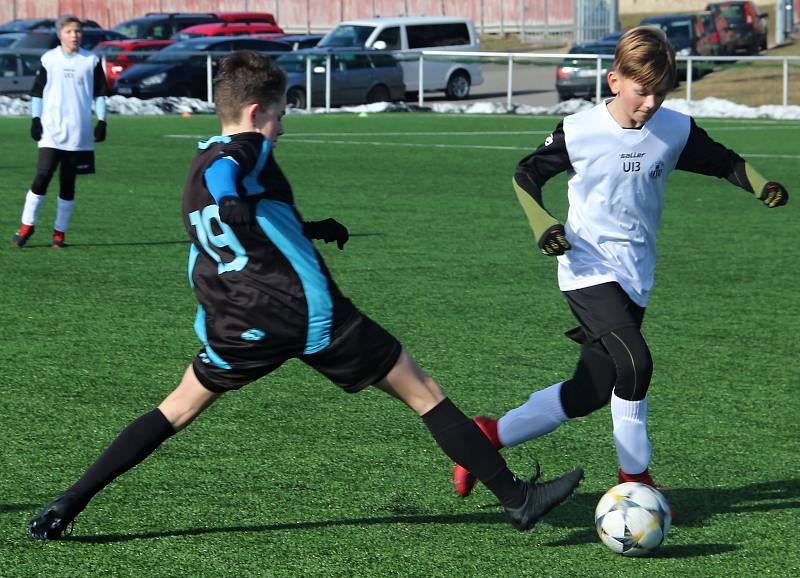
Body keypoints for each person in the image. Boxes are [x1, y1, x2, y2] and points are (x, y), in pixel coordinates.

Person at [27, 51, 583, 541]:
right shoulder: (243, 151)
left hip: (233, 320)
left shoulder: (199, 157)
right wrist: (235, 203)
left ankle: (68, 501)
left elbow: (244, 209)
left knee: (176, 408)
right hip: (304, 310)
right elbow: (232, 180)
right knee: (423, 392)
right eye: (279, 115)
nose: (281, 127)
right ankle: (517, 499)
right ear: (254, 112)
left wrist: (310, 226)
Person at [451, 27, 789, 501]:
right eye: (641, 91)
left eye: (660, 92)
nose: (650, 102)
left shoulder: (674, 129)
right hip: (586, 269)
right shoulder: (580, 130)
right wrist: (544, 226)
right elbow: (526, 173)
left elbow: (724, 162)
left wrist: (759, 185)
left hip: (635, 275)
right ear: (614, 81)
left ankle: (486, 436)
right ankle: (635, 480)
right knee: (637, 362)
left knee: (590, 390)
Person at [11, 14, 108, 249]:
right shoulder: (49, 59)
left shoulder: (91, 61)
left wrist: (102, 120)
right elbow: (37, 93)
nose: (74, 35)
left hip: (79, 133)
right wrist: (36, 119)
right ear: (60, 34)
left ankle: (59, 233)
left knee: (68, 183)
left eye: (77, 31)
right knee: (42, 176)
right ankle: (26, 226)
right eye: (69, 31)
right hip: (51, 131)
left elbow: (100, 94)